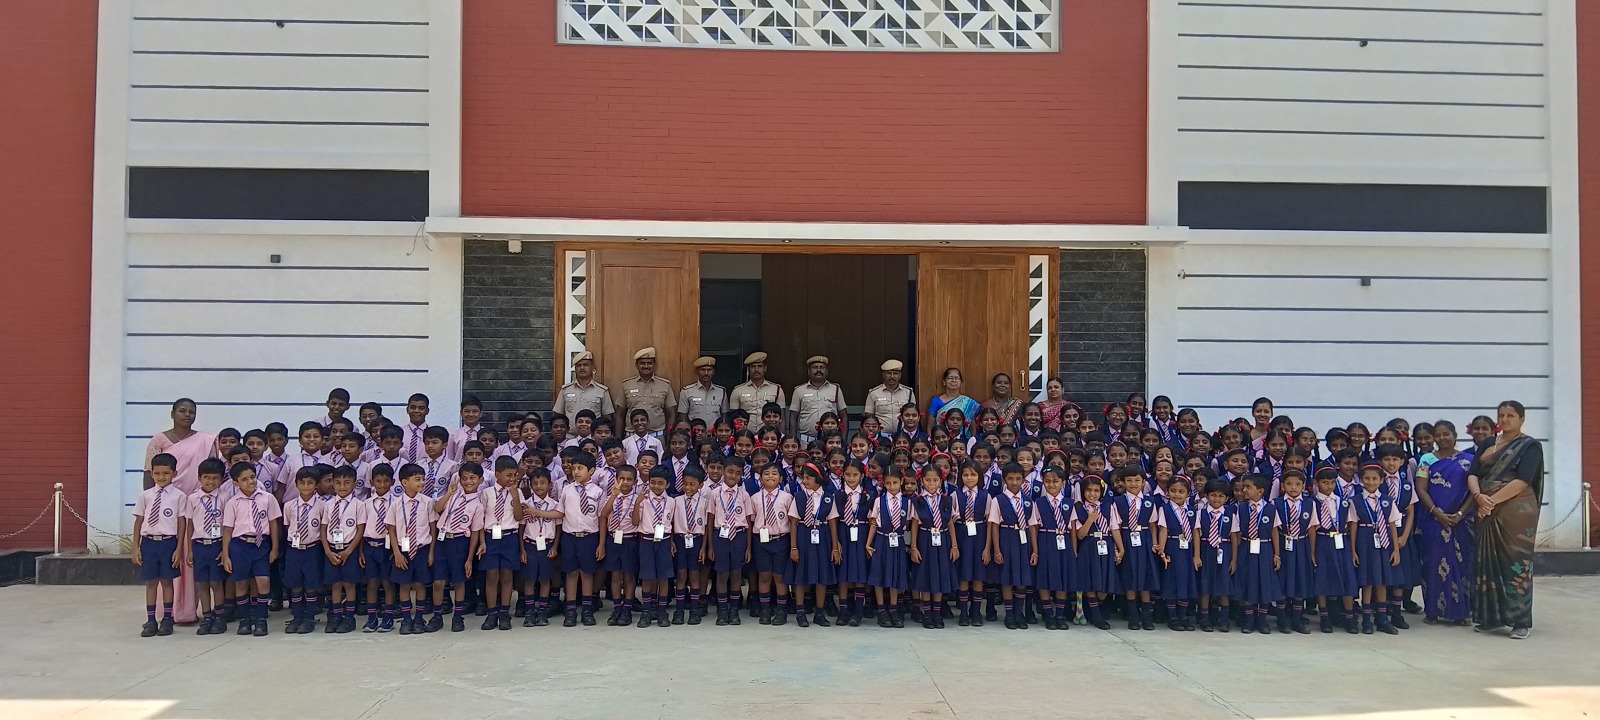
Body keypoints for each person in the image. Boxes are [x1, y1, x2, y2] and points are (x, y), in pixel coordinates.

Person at [1468, 401, 1544, 639]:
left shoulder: (1530, 446)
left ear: (1522, 419)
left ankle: (1520, 621)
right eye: (1501, 415)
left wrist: (1490, 502)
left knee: (1516, 563)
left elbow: (1523, 480)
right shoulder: (1488, 443)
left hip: (1515, 510)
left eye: (1511, 415)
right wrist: (1479, 497)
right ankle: (1491, 618)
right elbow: (1473, 474)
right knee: (1487, 560)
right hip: (1485, 507)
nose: (1505, 419)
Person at [143, 399, 219, 624]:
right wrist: (152, 505)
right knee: (168, 564)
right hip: (168, 509)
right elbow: (149, 473)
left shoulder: (206, 440)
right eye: (182, 411)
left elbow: (212, 471)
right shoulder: (159, 440)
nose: (187, 415)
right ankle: (166, 612)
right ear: (172, 413)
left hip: (197, 507)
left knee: (189, 560)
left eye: (191, 412)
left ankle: (188, 611)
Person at [1414, 420, 1474, 625]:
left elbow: (1474, 491)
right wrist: (1436, 513)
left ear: (1455, 435)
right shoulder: (1427, 460)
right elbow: (1421, 489)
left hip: (1460, 522)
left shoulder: (1469, 461)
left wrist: (1460, 514)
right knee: (1432, 564)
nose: (1442, 438)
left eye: (1446, 434)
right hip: (1432, 521)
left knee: (1462, 564)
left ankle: (1461, 613)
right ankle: (1432, 611)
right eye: (1438, 435)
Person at [220, 462, 281, 637]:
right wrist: (226, 554)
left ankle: (260, 619)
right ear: (236, 482)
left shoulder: (267, 498)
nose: (250, 482)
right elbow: (228, 530)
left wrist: (275, 548)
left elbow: (273, 524)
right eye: (245, 479)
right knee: (241, 583)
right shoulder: (233, 503)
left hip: (261, 545)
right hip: (240, 546)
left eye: (253, 477)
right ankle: (245, 620)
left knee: (263, 581)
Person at [134, 453, 187, 637]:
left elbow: (181, 523)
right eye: (157, 473)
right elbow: (139, 521)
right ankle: (150, 620)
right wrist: (135, 547)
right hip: (149, 543)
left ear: (174, 473)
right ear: (152, 473)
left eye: (166, 473)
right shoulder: (145, 496)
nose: (161, 477)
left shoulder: (179, 497)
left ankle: (167, 619)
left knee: (166, 581)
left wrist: (179, 548)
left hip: (168, 543)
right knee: (151, 582)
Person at [1351, 463, 1402, 635]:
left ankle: (1382, 619)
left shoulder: (1387, 500)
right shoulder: (1356, 501)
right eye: (1367, 478)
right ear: (1361, 480)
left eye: (1374, 479)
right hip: (1365, 541)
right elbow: (1353, 526)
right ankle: (1366, 620)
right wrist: (1353, 550)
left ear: (1381, 480)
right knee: (1367, 581)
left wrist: (1396, 549)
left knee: (1382, 581)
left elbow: (1392, 524)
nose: (1370, 482)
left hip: (1384, 543)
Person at [434, 463, 485, 632]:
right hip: (443, 540)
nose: (468, 481)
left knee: (459, 582)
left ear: (480, 480)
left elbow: (475, 533)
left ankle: (458, 616)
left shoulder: (477, 505)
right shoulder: (453, 495)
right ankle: (437, 616)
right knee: (439, 581)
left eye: (472, 478)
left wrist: (469, 559)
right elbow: (437, 508)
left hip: (460, 542)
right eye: (464, 478)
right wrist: (449, 493)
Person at [387, 463, 438, 636]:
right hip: (403, 550)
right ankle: (406, 619)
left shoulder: (428, 502)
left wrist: (431, 552)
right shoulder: (396, 504)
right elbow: (391, 529)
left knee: (420, 584)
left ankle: (419, 618)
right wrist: (396, 553)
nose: (422, 482)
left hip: (422, 549)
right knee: (404, 585)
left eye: (423, 479)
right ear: (404, 482)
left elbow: (432, 528)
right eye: (417, 479)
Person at [789, 463, 839, 627]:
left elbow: (832, 524)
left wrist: (835, 548)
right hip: (804, 535)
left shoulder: (828, 497)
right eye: (803, 477)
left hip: (822, 536)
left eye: (808, 478)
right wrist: (794, 547)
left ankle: (819, 612)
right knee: (801, 575)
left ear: (818, 478)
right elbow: (794, 523)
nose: (805, 481)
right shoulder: (799, 497)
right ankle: (800, 612)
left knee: (821, 575)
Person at [1113, 466, 1162, 631]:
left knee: (1145, 579)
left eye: (1137, 480)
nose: (1133, 484)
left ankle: (1146, 617)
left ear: (1143, 482)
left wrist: (1155, 543)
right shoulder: (1118, 501)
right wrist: (1119, 548)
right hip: (1127, 540)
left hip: (1145, 541)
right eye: (1129, 480)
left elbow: (1153, 525)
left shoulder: (1149, 501)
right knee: (1130, 578)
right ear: (1123, 482)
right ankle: (1133, 617)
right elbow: (1116, 526)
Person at [987, 462, 1035, 630]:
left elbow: (1032, 526)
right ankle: (1009, 614)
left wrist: (1035, 550)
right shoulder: (998, 500)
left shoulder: (1028, 501)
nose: (1014, 482)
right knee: (1007, 579)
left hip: (1024, 541)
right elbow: (994, 525)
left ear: (1023, 480)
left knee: (1022, 579)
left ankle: (1018, 613)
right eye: (1010, 479)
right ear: (1004, 480)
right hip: (1006, 539)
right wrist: (997, 550)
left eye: (1018, 479)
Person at [184, 458, 229, 635]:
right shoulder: (193, 498)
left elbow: (228, 526)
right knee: (202, 583)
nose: (211, 481)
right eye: (207, 477)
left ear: (221, 479)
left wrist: (225, 550)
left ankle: (219, 617)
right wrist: (190, 549)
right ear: (199, 478)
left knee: (216, 583)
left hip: (217, 545)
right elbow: (190, 525)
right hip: (200, 545)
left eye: (215, 478)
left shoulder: (225, 498)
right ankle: (207, 616)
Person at [1311, 467, 1358, 634]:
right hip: (1323, 540)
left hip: (1341, 541)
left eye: (1332, 482)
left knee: (1347, 577)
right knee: (1323, 578)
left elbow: (1351, 525)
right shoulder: (1313, 503)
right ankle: (1324, 617)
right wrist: (1313, 552)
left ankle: (1349, 617)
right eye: (1325, 482)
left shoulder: (1343, 502)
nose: (1329, 486)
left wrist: (1352, 549)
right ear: (1317, 483)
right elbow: (1312, 529)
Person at [479, 456, 524, 631]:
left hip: (509, 537)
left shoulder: (517, 492)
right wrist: (482, 542)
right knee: (491, 575)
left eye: (515, 475)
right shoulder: (487, 493)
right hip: (491, 537)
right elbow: (481, 519)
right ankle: (492, 613)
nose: (512, 479)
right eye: (508, 475)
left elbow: (519, 517)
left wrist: (515, 497)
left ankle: (504, 612)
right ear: (497, 475)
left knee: (507, 575)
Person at [319, 465, 365, 634]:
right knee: (335, 585)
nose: (342, 486)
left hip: (349, 549)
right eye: (338, 482)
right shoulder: (329, 504)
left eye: (347, 482)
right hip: (332, 549)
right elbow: (323, 529)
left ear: (354, 484)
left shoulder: (358, 505)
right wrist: (327, 551)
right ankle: (336, 616)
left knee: (349, 584)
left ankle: (349, 618)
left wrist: (349, 551)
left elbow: (360, 530)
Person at [908, 467, 955, 629]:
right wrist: (914, 547)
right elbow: (914, 525)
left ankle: (937, 613)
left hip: (943, 539)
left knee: (939, 575)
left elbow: (950, 523)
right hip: (925, 539)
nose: (932, 484)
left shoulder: (947, 500)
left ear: (941, 481)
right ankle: (927, 614)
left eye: (935, 480)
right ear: (922, 481)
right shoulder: (917, 501)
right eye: (928, 480)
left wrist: (954, 545)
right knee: (926, 575)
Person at [709, 455, 753, 626]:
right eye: (730, 471)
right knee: (722, 574)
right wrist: (710, 546)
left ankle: (734, 610)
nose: (733, 476)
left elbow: (748, 522)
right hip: (720, 536)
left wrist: (748, 547)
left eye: (737, 473)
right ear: (723, 472)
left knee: (736, 574)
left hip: (739, 536)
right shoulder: (715, 493)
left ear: (741, 474)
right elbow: (710, 520)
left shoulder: (744, 495)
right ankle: (722, 610)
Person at [280, 467, 325, 634]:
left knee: (311, 585)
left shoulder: (322, 506)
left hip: (312, 549)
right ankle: (297, 617)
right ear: (296, 484)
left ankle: (309, 618)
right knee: (295, 586)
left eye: (310, 483)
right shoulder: (289, 506)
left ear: (316, 485)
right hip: (294, 550)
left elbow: (322, 529)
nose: (306, 486)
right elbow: (287, 527)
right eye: (302, 483)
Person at [868, 467, 912, 628]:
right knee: (879, 574)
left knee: (896, 575)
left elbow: (909, 526)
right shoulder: (879, 501)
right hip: (881, 539)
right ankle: (882, 610)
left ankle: (893, 609)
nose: (892, 486)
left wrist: (909, 544)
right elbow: (874, 523)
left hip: (898, 541)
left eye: (895, 482)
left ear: (901, 481)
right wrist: (868, 543)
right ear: (884, 484)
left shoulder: (907, 503)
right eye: (888, 483)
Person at [1032, 467, 1075, 630]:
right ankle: (1049, 614)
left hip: (1064, 541)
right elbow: (1034, 528)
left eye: (1056, 481)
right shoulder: (1039, 503)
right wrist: (1035, 550)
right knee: (1045, 578)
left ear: (1063, 483)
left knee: (1062, 578)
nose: (1051, 485)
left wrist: (1074, 550)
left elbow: (1072, 529)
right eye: (1048, 481)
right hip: (1046, 540)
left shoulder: (1069, 503)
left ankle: (1060, 615)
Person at [634, 467, 677, 628]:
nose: (656, 486)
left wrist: (671, 542)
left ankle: (661, 611)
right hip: (647, 541)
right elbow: (635, 522)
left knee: (663, 578)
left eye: (660, 483)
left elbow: (671, 524)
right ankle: (646, 611)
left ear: (667, 485)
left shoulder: (671, 502)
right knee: (647, 577)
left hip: (664, 541)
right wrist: (637, 503)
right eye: (653, 482)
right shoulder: (643, 500)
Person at [1073, 475, 1117, 630]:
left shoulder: (1108, 506)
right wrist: (1090, 519)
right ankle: (1096, 616)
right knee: (1091, 582)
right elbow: (1079, 535)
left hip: (1106, 545)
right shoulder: (1079, 509)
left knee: (1103, 586)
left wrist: (1120, 548)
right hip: (1089, 546)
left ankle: (1092, 608)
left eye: (1096, 491)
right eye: (1089, 490)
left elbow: (1114, 528)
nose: (1092, 494)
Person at [520, 468, 562, 627]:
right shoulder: (526, 505)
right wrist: (522, 549)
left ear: (550, 485)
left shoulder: (555, 505)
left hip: (548, 545)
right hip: (530, 545)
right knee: (530, 580)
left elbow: (558, 528)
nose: (539, 486)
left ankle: (543, 611)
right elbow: (521, 528)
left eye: (543, 483)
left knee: (545, 579)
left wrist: (555, 547)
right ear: (531, 485)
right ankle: (530, 612)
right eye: (535, 483)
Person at [1274, 470, 1315, 634]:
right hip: (1284, 544)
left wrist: (1312, 552)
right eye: (1289, 484)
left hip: (1302, 544)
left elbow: (1312, 529)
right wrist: (1276, 553)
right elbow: (1274, 529)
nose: (1293, 487)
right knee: (1283, 581)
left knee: (1300, 580)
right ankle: (1282, 620)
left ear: (1303, 486)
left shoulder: (1309, 504)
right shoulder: (1276, 504)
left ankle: (1297, 620)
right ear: (1283, 486)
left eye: (1298, 484)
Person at [834, 459, 874, 626]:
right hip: (843, 533)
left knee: (860, 573)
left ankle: (858, 611)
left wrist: (869, 543)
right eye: (848, 474)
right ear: (843, 475)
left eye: (855, 474)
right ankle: (843, 611)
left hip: (861, 534)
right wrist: (836, 542)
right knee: (843, 574)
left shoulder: (869, 495)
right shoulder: (837, 495)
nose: (851, 478)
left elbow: (872, 521)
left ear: (862, 475)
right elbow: (834, 521)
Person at [1156, 476, 1198, 631]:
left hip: (1187, 549)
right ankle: (1173, 617)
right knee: (1172, 582)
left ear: (1188, 493)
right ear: (1167, 492)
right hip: (1173, 547)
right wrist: (1162, 551)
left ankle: (1183, 616)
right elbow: (1163, 530)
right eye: (1173, 491)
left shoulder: (1192, 511)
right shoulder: (1165, 509)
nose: (1177, 495)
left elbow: (1196, 533)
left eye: (1181, 491)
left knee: (1186, 582)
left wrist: (1196, 555)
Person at [1195, 478, 1237, 632]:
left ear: (1226, 498)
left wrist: (1234, 559)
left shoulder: (1230, 514)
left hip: (1224, 550)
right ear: (1207, 496)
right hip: (1206, 549)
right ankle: (1205, 618)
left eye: (1221, 496)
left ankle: (1224, 619)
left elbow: (1234, 537)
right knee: (1205, 585)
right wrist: (1197, 555)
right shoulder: (1201, 513)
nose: (1216, 499)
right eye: (1213, 495)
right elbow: (1197, 534)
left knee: (1223, 585)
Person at [360, 464, 398, 632]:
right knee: (372, 583)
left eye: (386, 481)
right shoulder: (366, 504)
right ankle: (371, 618)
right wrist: (361, 551)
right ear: (371, 482)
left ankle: (388, 617)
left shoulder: (396, 503)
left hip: (387, 546)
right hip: (370, 546)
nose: (382, 485)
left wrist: (396, 550)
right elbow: (362, 529)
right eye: (378, 481)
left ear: (393, 482)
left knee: (388, 583)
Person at [671, 466, 709, 625]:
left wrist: (704, 548)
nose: (688, 487)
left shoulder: (705, 503)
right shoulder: (676, 501)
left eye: (692, 484)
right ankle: (679, 611)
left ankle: (694, 611)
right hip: (680, 540)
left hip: (697, 541)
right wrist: (671, 541)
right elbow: (670, 523)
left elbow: (706, 527)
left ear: (700, 485)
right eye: (685, 483)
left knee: (694, 575)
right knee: (681, 575)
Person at [620, 347, 676, 437]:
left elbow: (671, 415)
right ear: (636, 365)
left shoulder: (665, 385)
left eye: (649, 363)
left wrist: (669, 437)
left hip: (657, 436)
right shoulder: (626, 385)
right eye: (642, 363)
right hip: (632, 435)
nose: (646, 366)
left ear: (654, 364)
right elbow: (620, 414)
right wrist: (618, 439)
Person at [790, 356, 846, 444]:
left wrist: (843, 440)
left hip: (831, 441)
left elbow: (843, 416)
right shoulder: (799, 391)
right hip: (806, 441)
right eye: (815, 367)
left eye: (822, 367)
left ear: (827, 371)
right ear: (809, 371)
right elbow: (793, 418)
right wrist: (793, 441)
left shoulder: (836, 389)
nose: (818, 370)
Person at [554, 353, 616, 426]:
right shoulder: (565, 390)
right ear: (575, 369)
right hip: (570, 433)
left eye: (585, 365)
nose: (582, 368)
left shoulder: (602, 391)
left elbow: (607, 418)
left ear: (592, 367)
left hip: (593, 433)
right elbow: (558, 415)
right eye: (579, 365)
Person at [864, 360, 916, 435]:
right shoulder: (873, 393)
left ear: (900, 375)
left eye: (895, 373)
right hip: (881, 435)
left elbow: (913, 414)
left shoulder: (908, 392)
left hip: (903, 435)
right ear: (883, 375)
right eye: (889, 373)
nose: (892, 376)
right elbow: (869, 417)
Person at [730, 352, 786, 416]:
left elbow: (781, 417)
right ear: (748, 369)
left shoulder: (777, 390)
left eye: (760, 366)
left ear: (765, 368)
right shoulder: (737, 391)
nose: (756, 369)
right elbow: (733, 417)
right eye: (753, 366)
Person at [678, 356, 727, 428]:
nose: (706, 373)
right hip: (695, 432)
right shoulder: (687, 391)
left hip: (715, 433)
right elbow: (683, 416)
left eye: (709, 370)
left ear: (713, 372)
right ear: (697, 371)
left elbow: (724, 416)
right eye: (702, 370)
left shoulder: (721, 391)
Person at [929, 368, 980, 432]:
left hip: (964, 437)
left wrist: (973, 438)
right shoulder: (936, 401)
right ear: (944, 382)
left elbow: (972, 425)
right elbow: (931, 425)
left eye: (956, 378)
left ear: (961, 382)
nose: (954, 380)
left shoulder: (969, 403)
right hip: (942, 436)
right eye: (950, 378)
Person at [448, 396, 484, 461]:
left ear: (480, 413)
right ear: (461, 413)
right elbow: (449, 459)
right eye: (467, 411)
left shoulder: (487, 435)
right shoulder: (453, 436)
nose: (471, 414)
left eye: (475, 411)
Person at [400, 394, 431, 465]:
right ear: (407, 410)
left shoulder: (434, 434)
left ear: (427, 411)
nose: (416, 411)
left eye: (421, 408)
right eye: (413, 407)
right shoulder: (399, 432)